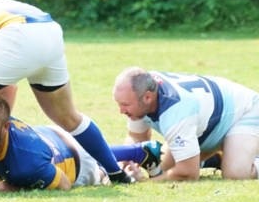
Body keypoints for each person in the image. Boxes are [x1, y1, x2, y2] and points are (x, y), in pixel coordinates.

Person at [0, 0, 134, 185]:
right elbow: (7, 87)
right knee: (68, 117)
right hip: (48, 29)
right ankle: (117, 173)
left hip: (19, 32)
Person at [111, 67, 259, 181]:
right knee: (162, 168)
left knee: (235, 174)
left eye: (125, 105)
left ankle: (240, 156)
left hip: (246, 111)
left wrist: (144, 183)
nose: (121, 111)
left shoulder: (175, 111)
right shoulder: (142, 89)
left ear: (148, 98)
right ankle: (219, 157)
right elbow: (136, 138)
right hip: (208, 122)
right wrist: (125, 164)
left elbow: (188, 174)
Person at [0, 95, 109, 191]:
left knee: (105, 165)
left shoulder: (27, 163)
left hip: (78, 160)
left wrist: (15, 186)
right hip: (47, 134)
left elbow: (65, 184)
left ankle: (114, 165)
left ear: (6, 126)